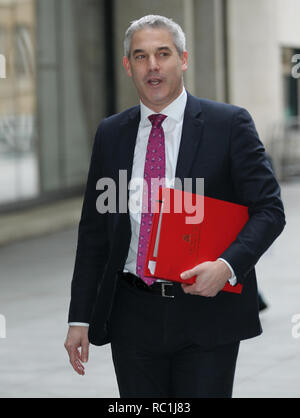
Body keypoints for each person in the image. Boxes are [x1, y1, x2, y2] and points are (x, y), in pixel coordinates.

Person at [64, 15, 286, 398]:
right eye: (141, 56)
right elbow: (95, 233)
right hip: (131, 314)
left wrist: (227, 266)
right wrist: (79, 317)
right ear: (127, 66)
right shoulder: (111, 133)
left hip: (205, 310)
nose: (152, 66)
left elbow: (269, 210)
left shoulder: (228, 124)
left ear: (183, 59)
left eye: (163, 54)